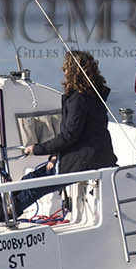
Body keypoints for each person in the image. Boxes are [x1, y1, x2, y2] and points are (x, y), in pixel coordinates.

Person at [15, 49, 117, 214]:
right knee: (29, 180)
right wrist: (55, 155)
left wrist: (37, 149)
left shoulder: (79, 99)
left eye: (66, 68)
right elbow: (79, 135)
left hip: (86, 161)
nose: (64, 72)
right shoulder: (92, 96)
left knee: (34, 186)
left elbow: (70, 135)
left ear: (73, 71)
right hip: (88, 156)